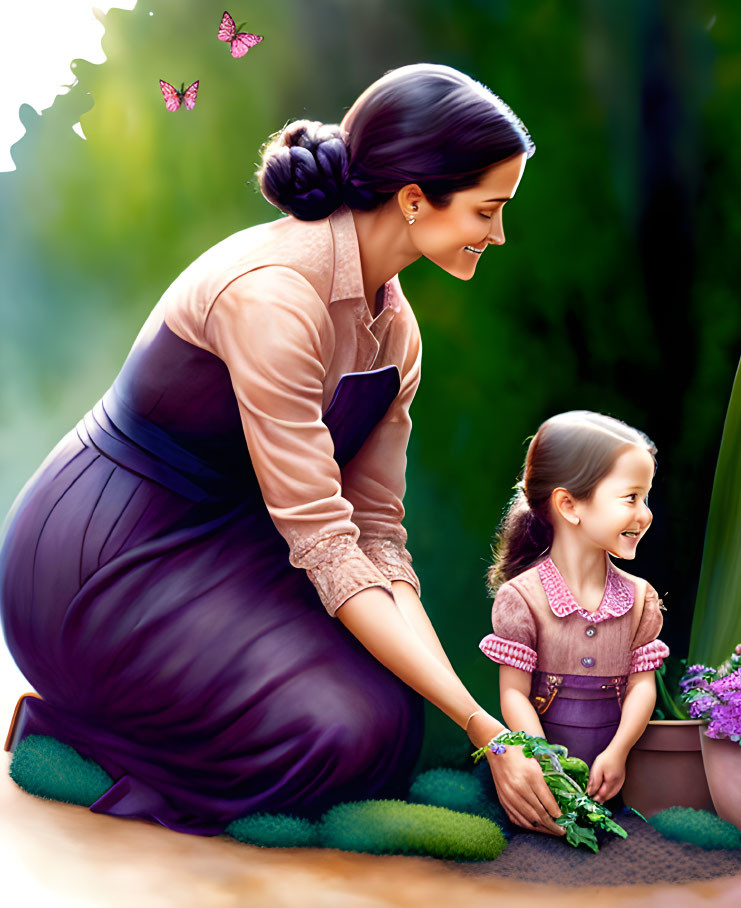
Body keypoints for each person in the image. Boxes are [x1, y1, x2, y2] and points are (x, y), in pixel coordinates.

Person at [0, 63, 564, 837]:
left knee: (391, 725)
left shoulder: (394, 327)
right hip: (101, 557)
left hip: (228, 547)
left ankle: (133, 730)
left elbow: (373, 535)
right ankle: (78, 734)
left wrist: (475, 724)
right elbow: (324, 542)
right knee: (332, 735)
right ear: (412, 200)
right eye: (486, 209)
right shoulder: (272, 296)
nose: (497, 234)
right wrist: (482, 726)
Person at [479, 411, 670, 804]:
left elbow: (641, 686)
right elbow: (513, 693)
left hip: (618, 784)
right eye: (631, 497)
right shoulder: (523, 599)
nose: (645, 514)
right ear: (569, 505)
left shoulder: (639, 599)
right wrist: (544, 761)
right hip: (544, 783)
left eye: (645, 497)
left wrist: (618, 752)